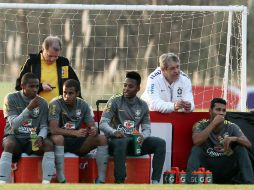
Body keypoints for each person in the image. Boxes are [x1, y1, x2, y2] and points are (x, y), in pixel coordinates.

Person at [99, 71, 166, 184]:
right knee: (121, 142)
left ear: (138, 88)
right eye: (125, 85)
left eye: (130, 86)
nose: (126, 88)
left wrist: (142, 136)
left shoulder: (143, 105)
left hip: (134, 143)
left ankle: (155, 182)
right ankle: (119, 182)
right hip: (116, 143)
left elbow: (147, 129)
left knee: (160, 143)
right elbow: (102, 123)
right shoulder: (115, 100)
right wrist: (114, 132)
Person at [48, 79, 108, 183]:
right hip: (59, 141)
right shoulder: (55, 104)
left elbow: (92, 125)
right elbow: (53, 129)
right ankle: (61, 178)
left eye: (70, 93)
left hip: (77, 142)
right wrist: (74, 133)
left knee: (102, 139)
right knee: (58, 138)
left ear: (77, 93)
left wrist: (93, 130)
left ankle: (101, 180)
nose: (67, 96)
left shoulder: (83, 105)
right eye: (64, 93)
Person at [0, 72, 55, 184]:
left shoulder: (43, 103)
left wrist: (41, 136)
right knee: (9, 144)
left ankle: (46, 184)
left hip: (32, 139)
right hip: (14, 137)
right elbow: (14, 125)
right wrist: (29, 108)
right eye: (31, 86)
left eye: (37, 86)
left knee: (49, 144)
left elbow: (44, 126)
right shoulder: (11, 98)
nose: (35, 89)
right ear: (22, 85)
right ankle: (2, 183)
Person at [186, 97, 254, 184]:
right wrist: (213, 124)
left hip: (226, 165)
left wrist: (235, 138)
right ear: (210, 111)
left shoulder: (231, 126)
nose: (221, 113)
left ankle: (250, 183)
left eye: (223, 110)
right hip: (207, 166)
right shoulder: (201, 124)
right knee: (196, 149)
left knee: (241, 149)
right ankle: (189, 183)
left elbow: (248, 144)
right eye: (218, 110)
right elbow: (196, 141)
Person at [15, 35, 80, 103]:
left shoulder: (63, 64)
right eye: (50, 56)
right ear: (43, 49)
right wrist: (40, 87)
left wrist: (78, 104)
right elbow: (19, 86)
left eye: (56, 56)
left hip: (59, 109)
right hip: (35, 108)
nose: (52, 59)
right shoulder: (32, 62)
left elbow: (75, 85)